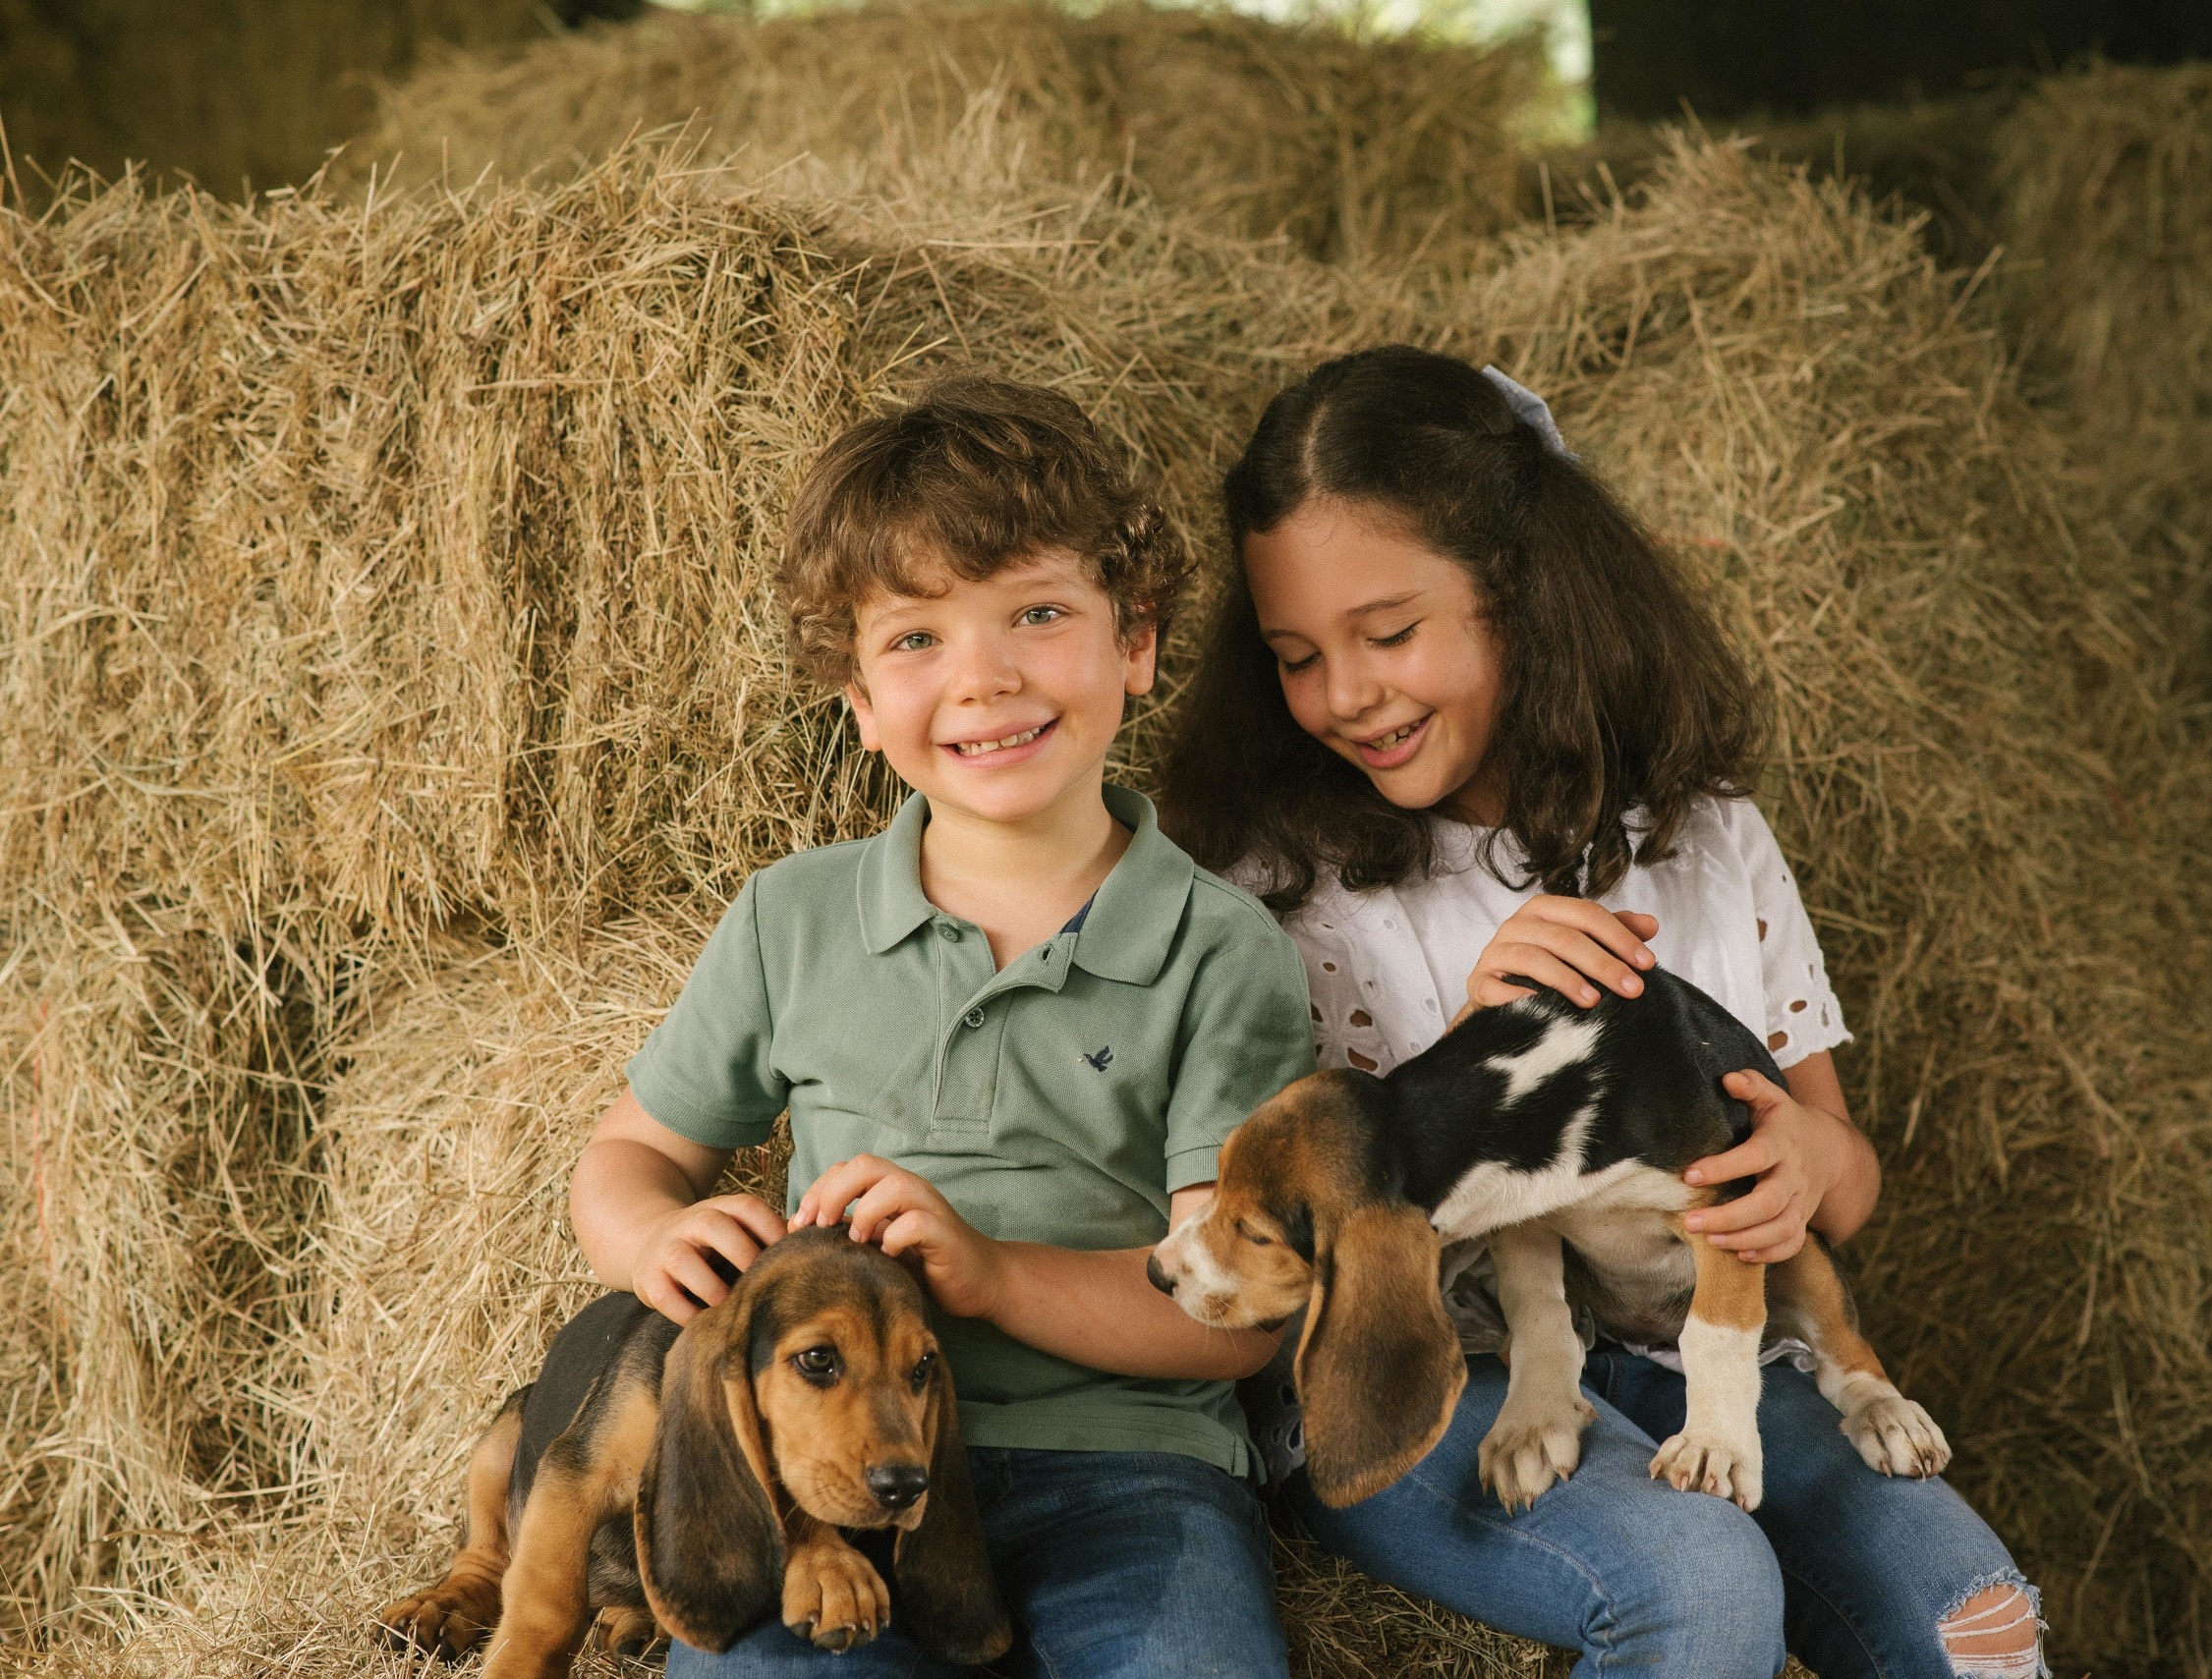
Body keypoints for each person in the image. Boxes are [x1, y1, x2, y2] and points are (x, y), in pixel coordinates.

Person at [1160, 346, 2047, 1679]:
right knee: (1699, 1580)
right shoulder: (1289, 892)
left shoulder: (1705, 842)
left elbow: (1842, 1182)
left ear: (1520, 596)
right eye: (1296, 656)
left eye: (1390, 634)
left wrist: (1804, 1164)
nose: (1346, 694)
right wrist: (1470, 1056)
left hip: (1707, 1350)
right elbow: (1282, 1232)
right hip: (1416, 1377)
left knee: (1978, 1624)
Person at [572, 374, 1316, 1677]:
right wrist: (658, 1237)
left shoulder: (1221, 951)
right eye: (916, 639)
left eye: (1038, 613)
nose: (985, 676)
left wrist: (992, 1273)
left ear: (1135, 642)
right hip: (822, 1497)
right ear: (857, 699)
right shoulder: (790, 918)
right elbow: (624, 1159)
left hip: (1128, 1480)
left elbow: (1239, 1308)